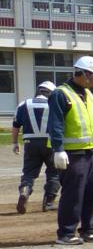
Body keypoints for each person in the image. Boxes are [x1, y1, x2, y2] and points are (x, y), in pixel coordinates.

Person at [47, 55, 93, 246]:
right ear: (85, 74)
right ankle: (66, 233)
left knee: (92, 193)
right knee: (73, 194)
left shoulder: (89, 95)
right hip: (72, 154)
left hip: (90, 153)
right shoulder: (61, 94)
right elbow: (55, 124)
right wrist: (58, 149)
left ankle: (87, 230)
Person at [12, 80, 60, 213]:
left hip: (30, 143)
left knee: (28, 172)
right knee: (54, 172)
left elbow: (16, 125)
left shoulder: (24, 104)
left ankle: (25, 190)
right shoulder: (54, 104)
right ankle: (48, 202)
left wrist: (15, 143)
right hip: (50, 143)